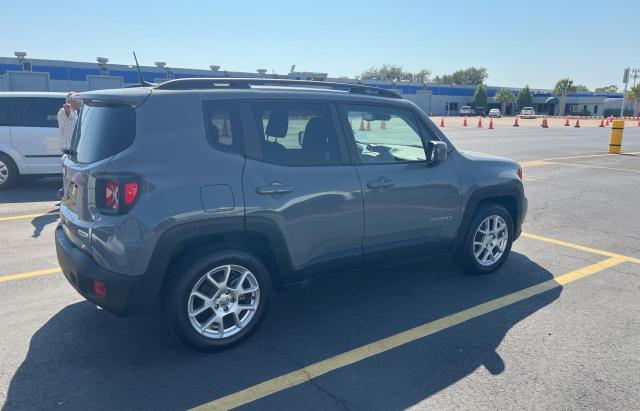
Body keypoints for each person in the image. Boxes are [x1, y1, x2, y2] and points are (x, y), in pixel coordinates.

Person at [56, 92, 81, 200]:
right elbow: (66, 110)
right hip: (68, 149)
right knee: (69, 173)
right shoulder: (65, 111)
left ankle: (64, 193)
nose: (80, 103)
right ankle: (63, 193)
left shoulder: (76, 112)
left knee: (72, 173)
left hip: (75, 148)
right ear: (72, 102)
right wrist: (67, 107)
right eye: (78, 101)